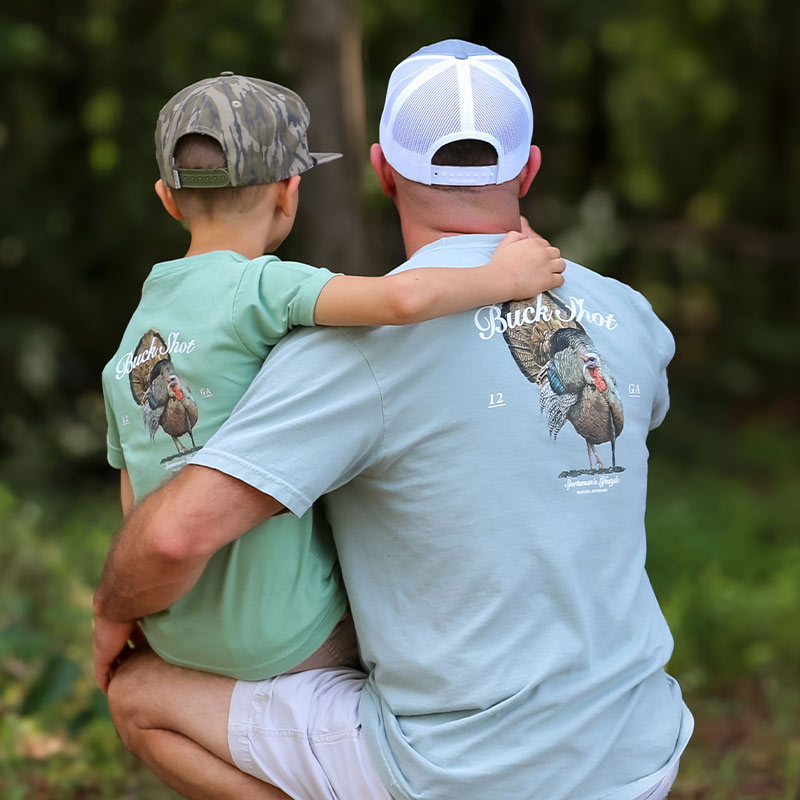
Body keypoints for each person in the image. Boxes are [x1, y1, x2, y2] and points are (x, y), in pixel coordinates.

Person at [94, 40, 693, 800]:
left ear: (382, 171)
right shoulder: (631, 316)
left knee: (141, 694)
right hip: (637, 752)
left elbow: (177, 533)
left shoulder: (354, 349)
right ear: (530, 168)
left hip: (466, 773)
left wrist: (113, 607)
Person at [96, 71, 566, 693]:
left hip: (175, 632)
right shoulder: (262, 287)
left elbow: (138, 503)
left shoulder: (136, 337)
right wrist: (506, 277)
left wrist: (118, 612)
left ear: (167, 198)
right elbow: (400, 301)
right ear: (290, 191)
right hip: (289, 633)